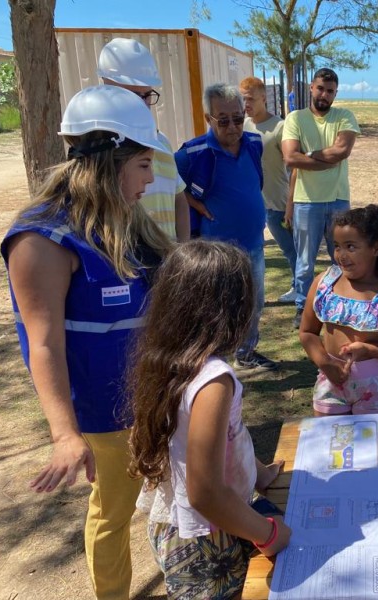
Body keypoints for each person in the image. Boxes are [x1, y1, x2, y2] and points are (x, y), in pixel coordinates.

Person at [1, 85, 172, 600]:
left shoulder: (123, 220)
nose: (152, 178)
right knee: (113, 511)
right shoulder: (42, 240)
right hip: (104, 412)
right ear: (109, 161)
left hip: (149, 396)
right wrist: (63, 434)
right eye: (143, 164)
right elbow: (44, 344)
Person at [128, 240, 291, 598]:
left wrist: (259, 472)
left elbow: (220, 439)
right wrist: (269, 535)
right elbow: (205, 493)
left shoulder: (165, 359)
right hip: (208, 535)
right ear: (234, 308)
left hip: (184, 526)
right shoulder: (213, 380)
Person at [175, 83, 276, 371]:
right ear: (209, 119)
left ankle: (246, 354)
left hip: (254, 245)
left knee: (255, 304)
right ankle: (211, 364)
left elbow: (255, 182)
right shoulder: (192, 153)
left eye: (237, 118)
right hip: (216, 253)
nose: (232, 126)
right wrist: (193, 204)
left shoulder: (254, 143)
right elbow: (170, 184)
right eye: (223, 120)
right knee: (217, 310)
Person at [298, 204, 378, 416]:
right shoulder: (324, 284)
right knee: (329, 443)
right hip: (330, 384)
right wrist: (325, 363)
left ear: (376, 248)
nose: (341, 255)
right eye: (337, 246)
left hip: (376, 388)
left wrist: (369, 350)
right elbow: (307, 332)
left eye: (351, 247)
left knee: (373, 447)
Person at [282, 68, 360, 329]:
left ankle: (340, 303)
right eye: (320, 89)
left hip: (338, 200)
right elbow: (290, 157)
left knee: (343, 258)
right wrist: (326, 160)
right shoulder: (295, 118)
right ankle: (302, 308)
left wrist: (311, 154)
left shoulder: (344, 116)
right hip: (306, 201)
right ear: (311, 88)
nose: (324, 94)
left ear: (335, 93)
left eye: (330, 91)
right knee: (304, 263)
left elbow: (342, 150)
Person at [98, 37, 190, 242]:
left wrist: (183, 251)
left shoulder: (162, 142)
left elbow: (179, 199)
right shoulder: (99, 149)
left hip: (169, 266)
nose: (142, 104)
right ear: (106, 89)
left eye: (146, 94)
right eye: (132, 95)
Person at [240, 76, 298, 303]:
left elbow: (294, 168)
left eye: (251, 99)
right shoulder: (243, 126)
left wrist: (290, 204)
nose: (246, 104)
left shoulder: (280, 127)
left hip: (278, 203)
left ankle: (299, 288)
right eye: (243, 99)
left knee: (290, 249)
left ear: (264, 98)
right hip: (253, 203)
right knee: (253, 251)